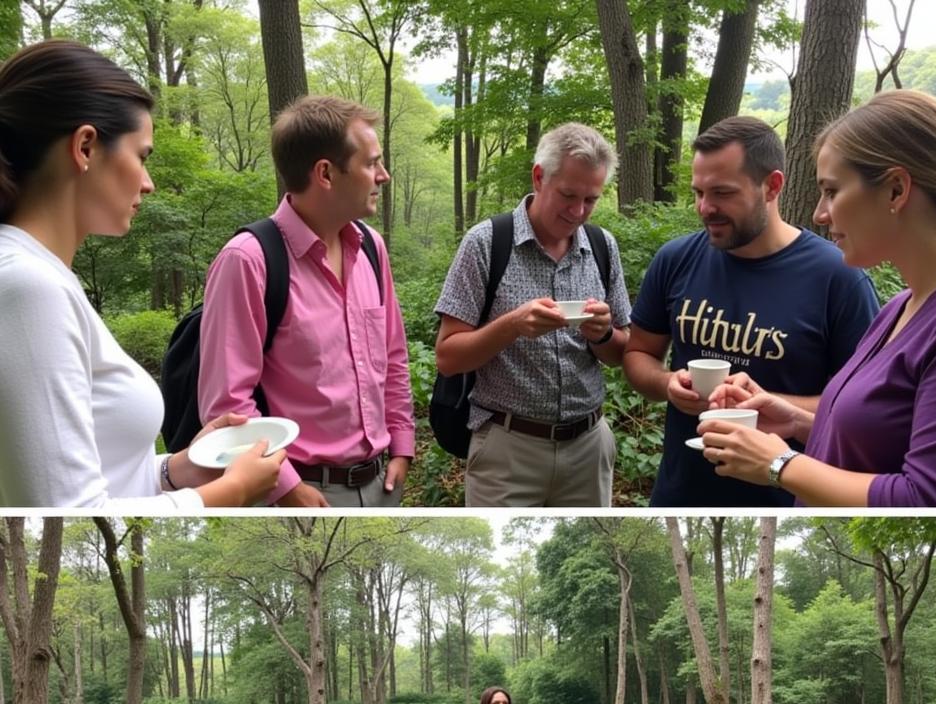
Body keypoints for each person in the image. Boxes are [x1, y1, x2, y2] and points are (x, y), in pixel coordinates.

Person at [698, 91, 936, 507]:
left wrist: (780, 465)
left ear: (895, 190)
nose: (820, 213)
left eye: (832, 191)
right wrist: (796, 423)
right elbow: (885, 443)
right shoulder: (905, 304)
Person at [0, 40, 284, 509]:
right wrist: (227, 492)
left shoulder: (44, 278)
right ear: (85, 146)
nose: (148, 182)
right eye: (143, 155)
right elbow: (67, 513)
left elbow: (103, 476)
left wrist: (179, 469)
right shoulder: (28, 288)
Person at [623, 116, 880, 507]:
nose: (706, 208)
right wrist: (666, 384)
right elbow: (638, 353)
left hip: (785, 498)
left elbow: (861, 408)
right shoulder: (675, 259)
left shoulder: (837, 278)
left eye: (722, 193)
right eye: (698, 193)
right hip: (679, 493)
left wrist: (769, 403)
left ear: (772, 185)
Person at [198, 96, 414, 508]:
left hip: (383, 484)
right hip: (298, 492)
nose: (383, 175)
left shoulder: (371, 247)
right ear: (326, 174)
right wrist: (288, 488)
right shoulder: (248, 260)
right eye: (371, 163)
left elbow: (393, 355)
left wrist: (401, 445)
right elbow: (228, 405)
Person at [435, 123, 632, 507]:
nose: (578, 211)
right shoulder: (487, 243)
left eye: (591, 199)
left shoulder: (602, 246)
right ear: (539, 177)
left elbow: (622, 352)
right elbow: (448, 357)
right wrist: (511, 326)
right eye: (568, 195)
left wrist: (603, 334)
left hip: (589, 447)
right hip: (507, 451)